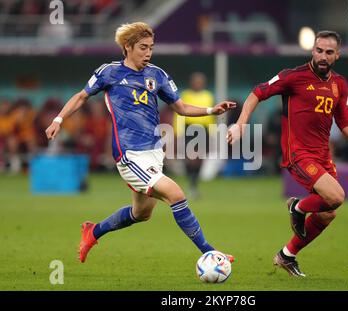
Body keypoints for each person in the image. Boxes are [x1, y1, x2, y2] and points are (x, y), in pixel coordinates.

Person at [45, 22, 236, 263]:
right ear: (127, 47)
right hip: (129, 154)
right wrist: (58, 119)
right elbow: (81, 97)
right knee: (176, 194)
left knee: (141, 213)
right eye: (143, 48)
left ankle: (93, 232)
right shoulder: (109, 72)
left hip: (154, 152)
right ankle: (210, 252)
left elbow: (181, 107)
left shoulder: (158, 75)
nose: (148, 53)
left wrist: (212, 109)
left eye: (151, 48)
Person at [227, 30, 348, 277]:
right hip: (298, 153)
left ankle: (287, 255)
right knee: (337, 196)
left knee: (328, 211)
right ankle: (297, 207)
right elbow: (257, 92)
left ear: (337, 55)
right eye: (319, 50)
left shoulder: (339, 84)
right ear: (313, 50)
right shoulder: (293, 77)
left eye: (329, 52)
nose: (323, 56)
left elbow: (344, 121)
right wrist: (241, 123)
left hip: (322, 156)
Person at [174, 72, 216, 199]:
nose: (198, 84)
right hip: (190, 128)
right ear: (191, 83)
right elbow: (179, 112)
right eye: (196, 81)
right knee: (192, 158)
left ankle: (194, 183)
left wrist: (213, 132)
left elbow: (211, 115)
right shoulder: (185, 95)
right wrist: (177, 130)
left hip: (204, 129)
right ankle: (192, 183)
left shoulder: (208, 96)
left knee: (200, 158)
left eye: (200, 82)